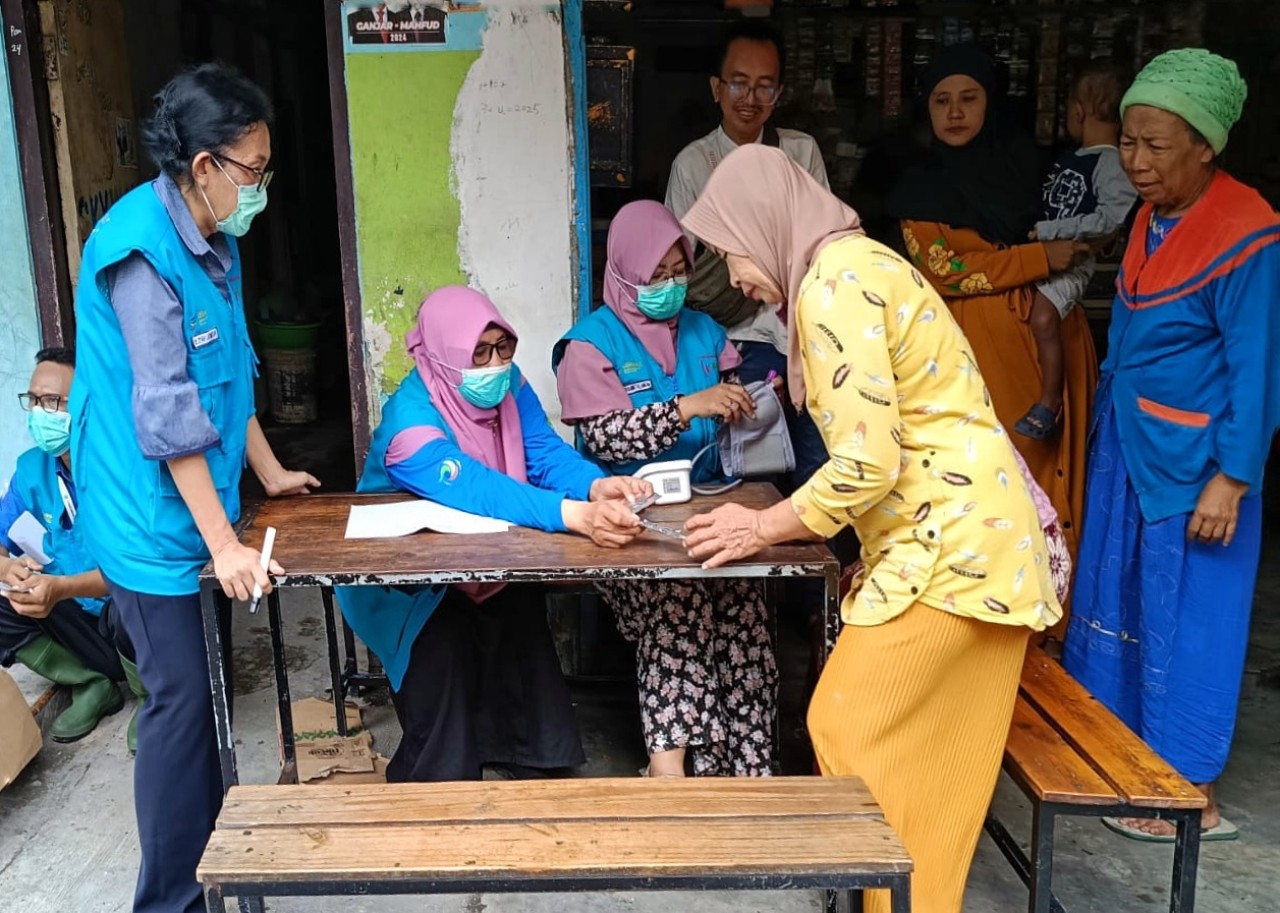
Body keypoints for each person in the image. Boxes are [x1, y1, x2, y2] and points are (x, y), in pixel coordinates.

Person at [679, 145, 1067, 913]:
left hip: (952, 547)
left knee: (846, 724)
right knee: (942, 770)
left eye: (730, 250)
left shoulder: (831, 286)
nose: (732, 276)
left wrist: (764, 528)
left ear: (767, 225)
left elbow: (864, 462)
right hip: (991, 544)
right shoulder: (865, 262)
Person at [71, 64, 318, 913]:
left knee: (210, 693)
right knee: (181, 703)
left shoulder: (216, 232)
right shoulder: (141, 252)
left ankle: (218, 875)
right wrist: (223, 543)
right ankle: (171, 900)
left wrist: (268, 470)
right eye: (254, 169)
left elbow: (227, 368)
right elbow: (171, 413)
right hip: (146, 519)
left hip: (195, 501)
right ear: (205, 164)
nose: (262, 186)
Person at [1063, 49, 1280, 844]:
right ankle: (1124, 769)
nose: (1138, 162)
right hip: (1133, 448)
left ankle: (1189, 792)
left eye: (1157, 145)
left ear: (1206, 146)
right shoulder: (1150, 218)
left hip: (1197, 469)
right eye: (1128, 142)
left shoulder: (1250, 233)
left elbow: (1259, 368)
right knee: (1121, 604)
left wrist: (1234, 476)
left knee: (1191, 623)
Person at [338, 286, 650, 783]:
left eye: (503, 348)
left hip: (488, 561)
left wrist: (594, 484)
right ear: (444, 354)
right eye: (478, 353)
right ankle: (439, 800)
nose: (495, 364)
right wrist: (573, 515)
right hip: (408, 585)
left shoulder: (510, 384)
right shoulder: (408, 426)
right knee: (445, 679)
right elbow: (481, 490)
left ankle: (523, 767)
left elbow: (543, 453)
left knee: (522, 634)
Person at [552, 200, 779, 778]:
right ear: (624, 272)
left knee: (742, 603)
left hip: (708, 509)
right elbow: (604, 438)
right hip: (625, 526)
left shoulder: (705, 329)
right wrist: (684, 408)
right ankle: (670, 769)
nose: (670, 287)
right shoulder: (590, 344)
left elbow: (731, 404)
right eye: (656, 277)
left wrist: (745, 404)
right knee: (678, 604)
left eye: (679, 273)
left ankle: (745, 771)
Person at [885, 44, 1097, 604]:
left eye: (969, 98)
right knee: (988, 487)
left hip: (1047, 346)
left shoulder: (1034, 171)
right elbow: (945, 271)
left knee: (1046, 487)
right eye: (942, 100)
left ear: (991, 103)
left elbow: (1085, 238)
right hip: (971, 355)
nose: (955, 112)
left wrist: (1053, 256)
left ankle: (1051, 630)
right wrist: (1036, 258)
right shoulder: (917, 186)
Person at [666, 20, 830, 486]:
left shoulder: (801, 151)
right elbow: (679, 270)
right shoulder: (693, 163)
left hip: (802, 335)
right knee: (753, 471)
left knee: (818, 465)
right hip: (731, 341)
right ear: (717, 88)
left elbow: (821, 247)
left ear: (779, 93)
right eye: (738, 83)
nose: (750, 98)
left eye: (765, 86)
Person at [0, 348, 144, 748]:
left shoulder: (120, 467)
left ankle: (150, 700)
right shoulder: (32, 470)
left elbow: (133, 569)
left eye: (51, 402)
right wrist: (9, 572)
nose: (38, 414)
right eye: (33, 401)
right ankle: (90, 683)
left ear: (83, 405)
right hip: (76, 623)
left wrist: (60, 587)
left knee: (133, 597)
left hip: (132, 626)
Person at [1018, 61, 1138, 440]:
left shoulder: (1112, 163)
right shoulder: (1078, 157)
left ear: (1077, 112)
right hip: (1049, 249)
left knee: (1042, 319)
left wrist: (1050, 230)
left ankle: (1049, 402)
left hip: (1073, 260)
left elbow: (1109, 219)